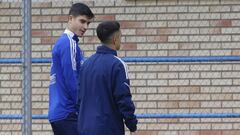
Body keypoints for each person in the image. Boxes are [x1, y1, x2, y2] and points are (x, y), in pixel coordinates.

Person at [77, 21, 138, 135]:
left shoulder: (86, 64)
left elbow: (79, 99)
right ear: (115, 38)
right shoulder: (117, 65)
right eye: (120, 37)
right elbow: (123, 99)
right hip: (108, 128)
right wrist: (132, 125)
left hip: (84, 128)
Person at [48, 3, 94, 135]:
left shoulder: (63, 43)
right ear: (70, 19)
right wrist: (82, 108)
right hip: (68, 112)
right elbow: (72, 79)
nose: (85, 27)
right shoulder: (69, 43)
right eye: (82, 21)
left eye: (88, 23)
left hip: (59, 112)